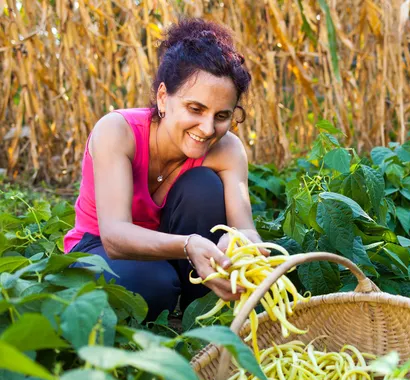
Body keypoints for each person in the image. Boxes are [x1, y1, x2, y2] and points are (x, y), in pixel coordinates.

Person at [64, 18, 265, 321]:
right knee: (152, 287)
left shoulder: (229, 150)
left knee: (203, 187)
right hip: (101, 248)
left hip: (178, 251)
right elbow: (115, 237)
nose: (208, 128)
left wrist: (237, 243)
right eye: (195, 109)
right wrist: (188, 244)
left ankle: (203, 311)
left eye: (222, 115)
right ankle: (169, 296)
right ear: (162, 98)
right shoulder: (117, 132)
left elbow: (246, 228)